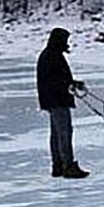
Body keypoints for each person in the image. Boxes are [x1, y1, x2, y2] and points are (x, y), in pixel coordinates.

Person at [36, 27, 89, 179]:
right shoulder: (51, 56)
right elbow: (52, 80)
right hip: (57, 100)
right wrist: (68, 85)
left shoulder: (52, 55)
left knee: (57, 134)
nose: (67, 43)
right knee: (64, 133)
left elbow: (57, 78)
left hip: (53, 100)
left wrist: (73, 83)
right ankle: (68, 166)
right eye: (65, 40)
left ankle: (58, 166)